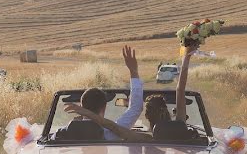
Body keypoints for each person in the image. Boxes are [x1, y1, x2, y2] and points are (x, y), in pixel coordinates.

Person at [64, 44, 197, 141]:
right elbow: (180, 90)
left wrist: (84, 112)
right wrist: (186, 57)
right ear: (104, 107)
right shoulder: (122, 135)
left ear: (82, 104)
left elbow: (112, 125)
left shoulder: (64, 134)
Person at [54, 45, 143, 141]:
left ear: (81, 106)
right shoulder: (112, 133)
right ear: (104, 108)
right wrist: (133, 71)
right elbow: (136, 108)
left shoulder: (61, 134)